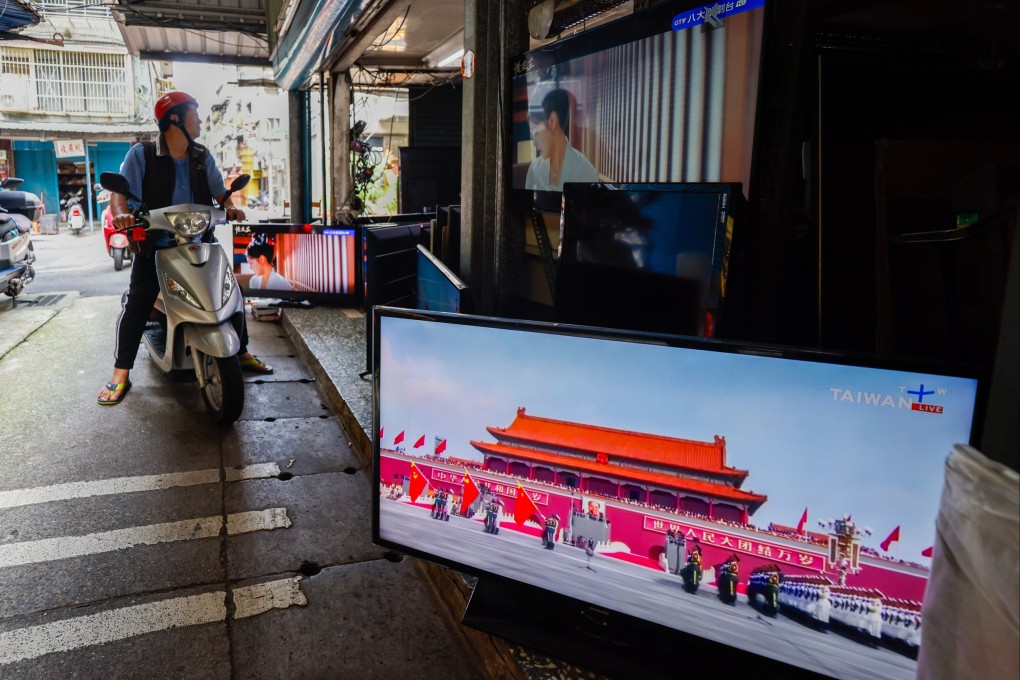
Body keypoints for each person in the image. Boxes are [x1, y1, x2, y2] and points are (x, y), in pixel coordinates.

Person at [97, 91, 272, 405]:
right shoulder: (143, 154)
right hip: (155, 244)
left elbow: (220, 193)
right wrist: (122, 213)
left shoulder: (201, 156)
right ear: (175, 118)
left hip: (199, 240)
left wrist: (230, 206)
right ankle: (120, 373)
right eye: (195, 113)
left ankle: (241, 351)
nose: (200, 120)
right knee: (138, 301)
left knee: (231, 292)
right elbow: (119, 192)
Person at [524, 87, 599, 191]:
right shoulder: (534, 170)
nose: (534, 143)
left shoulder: (586, 172)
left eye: (536, 132)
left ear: (552, 121)